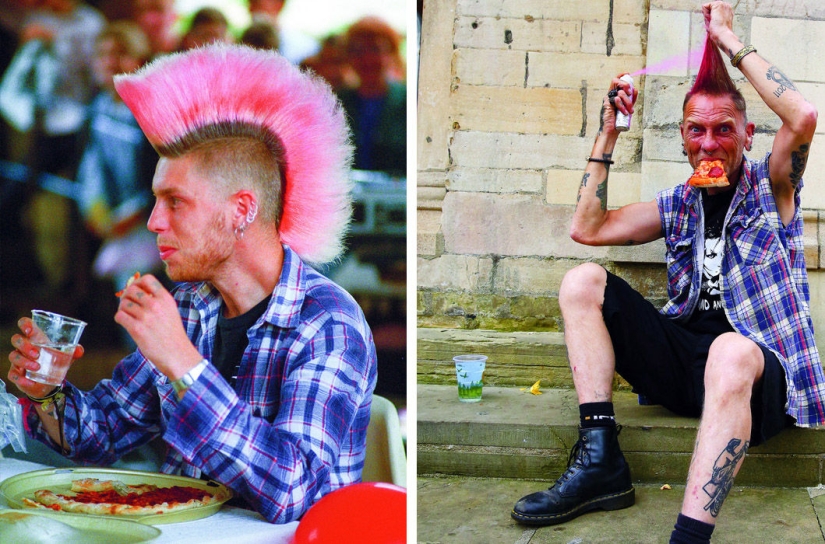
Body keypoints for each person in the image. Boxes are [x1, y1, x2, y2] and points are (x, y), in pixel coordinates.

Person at [8, 43, 377, 524]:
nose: (154, 221)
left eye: (175, 202)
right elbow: (99, 434)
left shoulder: (327, 322)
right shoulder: (189, 304)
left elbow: (295, 492)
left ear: (241, 209)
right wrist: (47, 390)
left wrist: (183, 363)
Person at [510, 2, 825, 543]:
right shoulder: (679, 202)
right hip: (684, 367)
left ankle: (689, 536)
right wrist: (609, 132)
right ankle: (601, 459)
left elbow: (803, 117)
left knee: (729, 350)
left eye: (723, 129)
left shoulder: (773, 189)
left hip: (758, 377)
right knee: (582, 279)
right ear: (681, 137)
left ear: (748, 134)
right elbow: (588, 228)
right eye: (696, 131)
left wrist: (727, 39)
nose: (708, 143)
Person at [75, 21, 161, 348]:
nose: (110, 63)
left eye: (121, 54)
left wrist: (135, 213)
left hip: (152, 221)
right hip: (115, 222)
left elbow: (160, 172)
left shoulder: (152, 110)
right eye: (103, 55)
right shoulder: (96, 108)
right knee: (128, 301)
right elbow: (91, 167)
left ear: (140, 60)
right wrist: (94, 209)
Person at [337, 17, 406, 176]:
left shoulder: (408, 100)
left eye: (375, 49)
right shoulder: (337, 102)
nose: (367, 59)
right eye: (358, 51)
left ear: (392, 54)